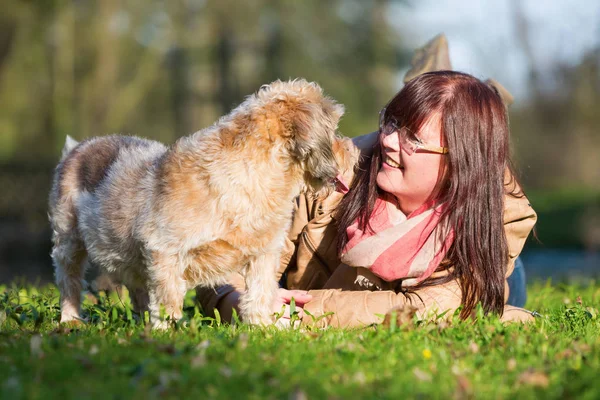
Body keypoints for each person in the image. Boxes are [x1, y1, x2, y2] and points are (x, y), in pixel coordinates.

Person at [196, 37, 537, 327]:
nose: (388, 140)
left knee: (500, 289)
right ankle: (449, 93)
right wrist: (244, 302)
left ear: (459, 163)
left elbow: (433, 309)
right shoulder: (327, 173)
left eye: (413, 138)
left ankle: (471, 103)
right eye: (390, 122)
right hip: (310, 277)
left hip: (477, 232)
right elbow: (221, 263)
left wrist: (296, 314)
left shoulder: (501, 213)